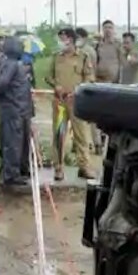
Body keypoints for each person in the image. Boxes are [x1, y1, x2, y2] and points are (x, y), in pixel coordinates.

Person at [46, 28, 95, 182]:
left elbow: (89, 77)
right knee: (59, 135)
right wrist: (56, 85)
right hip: (60, 102)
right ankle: (59, 168)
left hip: (77, 102)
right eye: (60, 39)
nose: (61, 42)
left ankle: (84, 167)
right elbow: (48, 76)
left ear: (72, 40)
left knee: (81, 134)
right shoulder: (56, 57)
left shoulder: (83, 57)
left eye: (64, 39)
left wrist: (78, 90)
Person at [0, 35, 33, 188]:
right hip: (13, 110)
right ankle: (11, 175)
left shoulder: (13, 64)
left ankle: (21, 170)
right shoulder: (11, 64)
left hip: (19, 109)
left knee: (20, 142)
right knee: (13, 143)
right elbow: (3, 83)